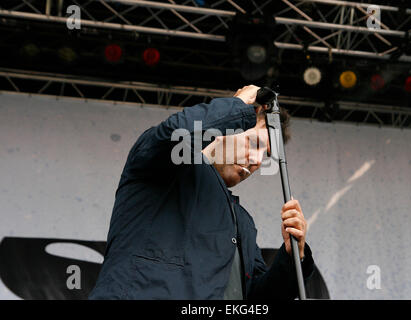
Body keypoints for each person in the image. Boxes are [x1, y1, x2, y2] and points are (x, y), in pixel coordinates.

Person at [89, 85, 316, 300]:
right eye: (254, 143)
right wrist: (238, 106)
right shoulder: (166, 167)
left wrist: (293, 255)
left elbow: (255, 297)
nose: (257, 161)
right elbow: (174, 133)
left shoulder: (243, 222)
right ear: (226, 130)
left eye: (266, 155)